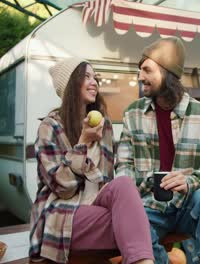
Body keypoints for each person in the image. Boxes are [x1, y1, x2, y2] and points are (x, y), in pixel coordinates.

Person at [29, 57, 154, 264]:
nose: (94, 82)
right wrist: (83, 143)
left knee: (123, 184)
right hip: (62, 212)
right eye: (86, 76)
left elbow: (106, 182)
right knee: (137, 223)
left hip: (95, 205)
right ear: (70, 84)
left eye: (94, 77)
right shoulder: (49, 127)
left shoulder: (102, 125)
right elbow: (63, 188)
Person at [115, 37, 200, 264]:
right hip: (150, 206)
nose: (140, 77)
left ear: (166, 73)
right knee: (129, 222)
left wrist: (189, 182)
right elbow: (123, 167)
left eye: (146, 70)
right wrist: (141, 188)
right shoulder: (132, 113)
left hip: (189, 203)